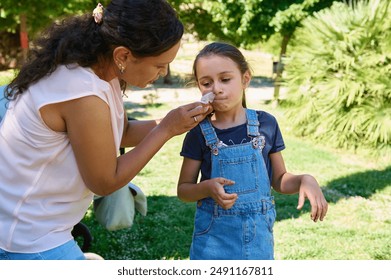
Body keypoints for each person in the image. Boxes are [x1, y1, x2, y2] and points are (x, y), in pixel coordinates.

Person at [0, 0, 212, 260]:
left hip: (37, 229)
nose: (163, 71)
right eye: (159, 64)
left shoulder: (101, 73)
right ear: (123, 55)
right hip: (28, 239)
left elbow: (120, 133)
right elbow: (104, 181)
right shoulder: (81, 92)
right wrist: (165, 130)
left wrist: (176, 121)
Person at [177, 42, 328, 260]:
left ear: (245, 79)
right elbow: (184, 190)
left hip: (258, 241)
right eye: (206, 82)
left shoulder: (266, 124)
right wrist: (207, 188)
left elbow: (279, 179)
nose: (216, 88)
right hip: (213, 243)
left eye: (225, 79)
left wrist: (305, 179)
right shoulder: (198, 133)